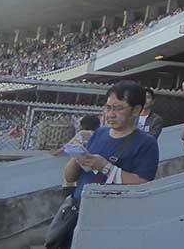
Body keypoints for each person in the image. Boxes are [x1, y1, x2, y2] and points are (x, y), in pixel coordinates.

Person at [57, 82, 159, 249]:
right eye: (108, 107)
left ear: (136, 110)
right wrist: (76, 156)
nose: (111, 114)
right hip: (80, 211)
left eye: (118, 108)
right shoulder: (100, 133)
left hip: (112, 220)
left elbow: (143, 185)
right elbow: (70, 177)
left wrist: (106, 167)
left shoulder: (146, 143)